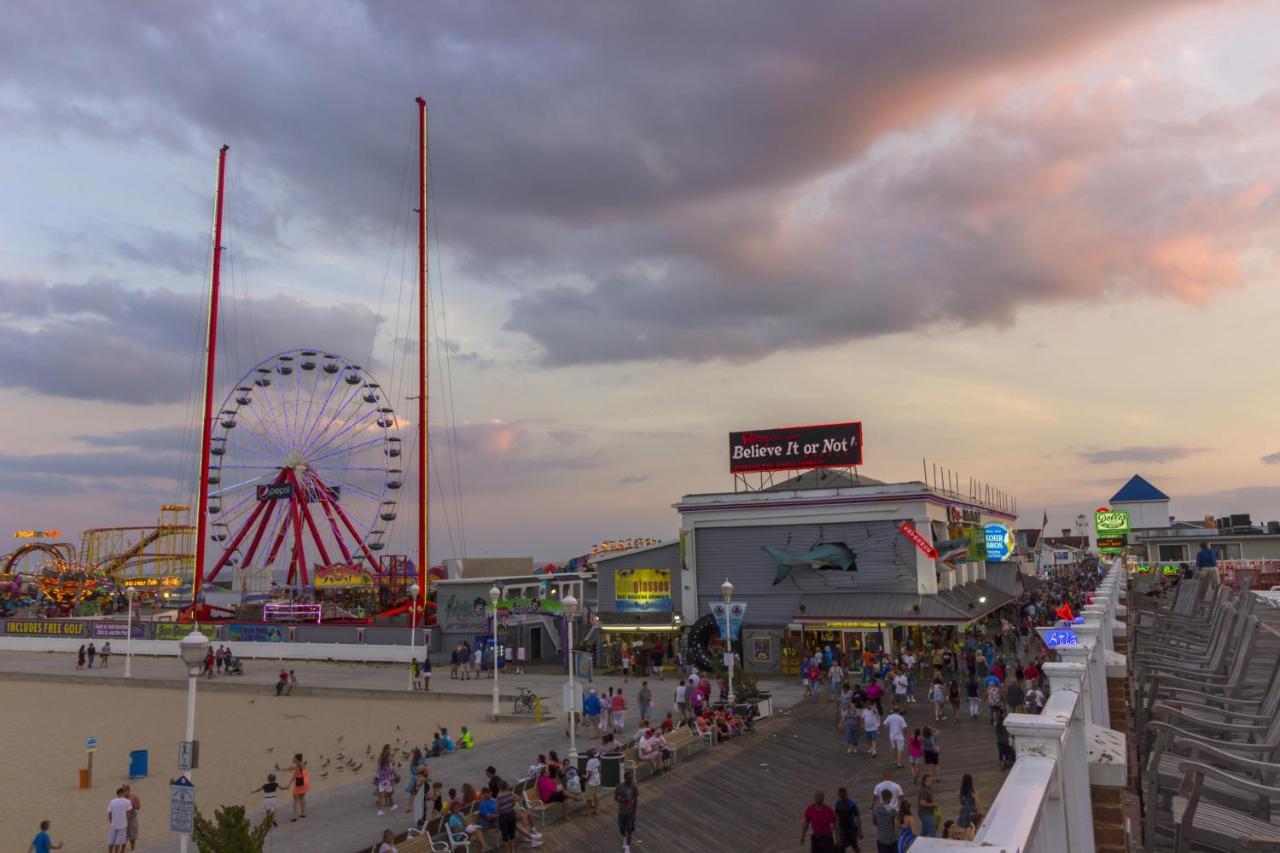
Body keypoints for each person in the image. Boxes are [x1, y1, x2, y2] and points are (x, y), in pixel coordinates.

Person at [614, 770, 639, 853]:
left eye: (631, 778)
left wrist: (635, 812)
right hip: (621, 812)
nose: (631, 779)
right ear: (625, 778)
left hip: (630, 813)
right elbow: (615, 798)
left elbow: (635, 800)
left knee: (629, 829)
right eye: (629, 778)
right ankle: (624, 838)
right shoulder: (619, 787)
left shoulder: (634, 787)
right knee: (621, 828)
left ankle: (628, 847)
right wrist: (622, 800)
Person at [833, 787, 861, 852]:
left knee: (854, 845)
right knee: (841, 847)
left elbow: (858, 817)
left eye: (843, 796)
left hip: (851, 829)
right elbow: (836, 817)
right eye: (840, 796)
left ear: (846, 794)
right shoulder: (838, 804)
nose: (842, 797)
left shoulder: (852, 804)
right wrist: (836, 828)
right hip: (842, 830)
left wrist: (859, 831)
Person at [107, 787, 133, 853]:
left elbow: (110, 813)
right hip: (123, 824)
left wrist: (111, 822)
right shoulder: (127, 801)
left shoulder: (112, 801)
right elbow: (129, 813)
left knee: (111, 840)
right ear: (123, 793)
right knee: (118, 841)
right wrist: (128, 822)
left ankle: (110, 851)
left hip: (114, 824)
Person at [871, 789, 897, 853]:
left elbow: (874, 822)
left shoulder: (875, 809)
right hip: (891, 839)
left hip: (881, 839)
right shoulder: (892, 811)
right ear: (889, 798)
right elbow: (895, 824)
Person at [289, 754, 309, 821]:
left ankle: (295, 816)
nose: (293, 759)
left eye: (294, 758)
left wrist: (288, 785)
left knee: (295, 800)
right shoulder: (302, 764)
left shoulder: (298, 767)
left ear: (297, 759)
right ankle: (303, 813)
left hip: (299, 785)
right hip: (304, 783)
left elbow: (294, 777)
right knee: (302, 798)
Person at [122, 783, 141, 850]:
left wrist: (132, 804)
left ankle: (132, 849)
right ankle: (122, 850)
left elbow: (138, 807)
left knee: (133, 836)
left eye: (125, 791)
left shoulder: (134, 797)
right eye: (123, 791)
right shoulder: (121, 798)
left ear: (128, 790)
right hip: (123, 819)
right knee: (124, 836)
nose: (124, 793)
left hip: (132, 819)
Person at [584, 749, 602, 815]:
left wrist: (586, 780)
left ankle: (587, 812)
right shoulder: (597, 760)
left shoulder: (589, 762)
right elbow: (598, 768)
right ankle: (597, 811)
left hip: (591, 782)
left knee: (589, 797)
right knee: (596, 796)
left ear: (588, 755)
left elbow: (589, 773)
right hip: (597, 781)